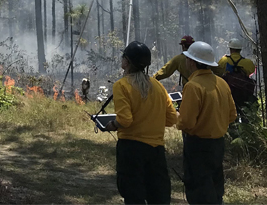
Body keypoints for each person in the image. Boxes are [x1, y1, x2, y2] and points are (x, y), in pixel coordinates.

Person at [104, 41, 178, 205]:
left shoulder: (121, 85)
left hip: (131, 150)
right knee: (158, 196)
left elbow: (125, 120)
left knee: (133, 195)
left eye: (123, 57)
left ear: (127, 62)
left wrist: (112, 125)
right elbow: (172, 118)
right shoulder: (158, 86)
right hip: (156, 150)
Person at [177, 41, 237, 204]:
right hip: (218, 144)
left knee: (199, 191)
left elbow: (186, 122)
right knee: (215, 188)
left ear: (192, 62)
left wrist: (177, 118)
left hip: (198, 146)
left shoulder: (193, 86)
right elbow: (232, 115)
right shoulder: (222, 83)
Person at [217, 38, 257, 109]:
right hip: (243, 95)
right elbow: (252, 71)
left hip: (228, 95)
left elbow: (217, 72)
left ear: (230, 49)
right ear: (240, 49)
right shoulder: (248, 62)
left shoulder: (224, 60)